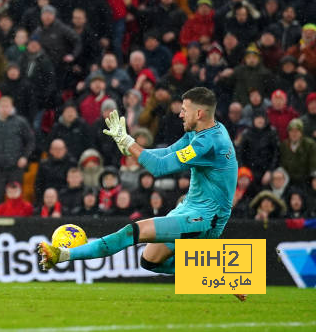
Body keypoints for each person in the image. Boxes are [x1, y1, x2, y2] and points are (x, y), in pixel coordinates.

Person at [38, 87, 245, 301]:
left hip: (206, 218)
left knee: (132, 232)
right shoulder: (200, 132)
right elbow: (166, 153)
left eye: (184, 110)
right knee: (149, 261)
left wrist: (130, 143)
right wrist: (130, 149)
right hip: (189, 208)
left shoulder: (208, 143)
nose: (180, 114)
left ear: (199, 114)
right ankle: (220, 276)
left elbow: (160, 168)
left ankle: (61, 255)